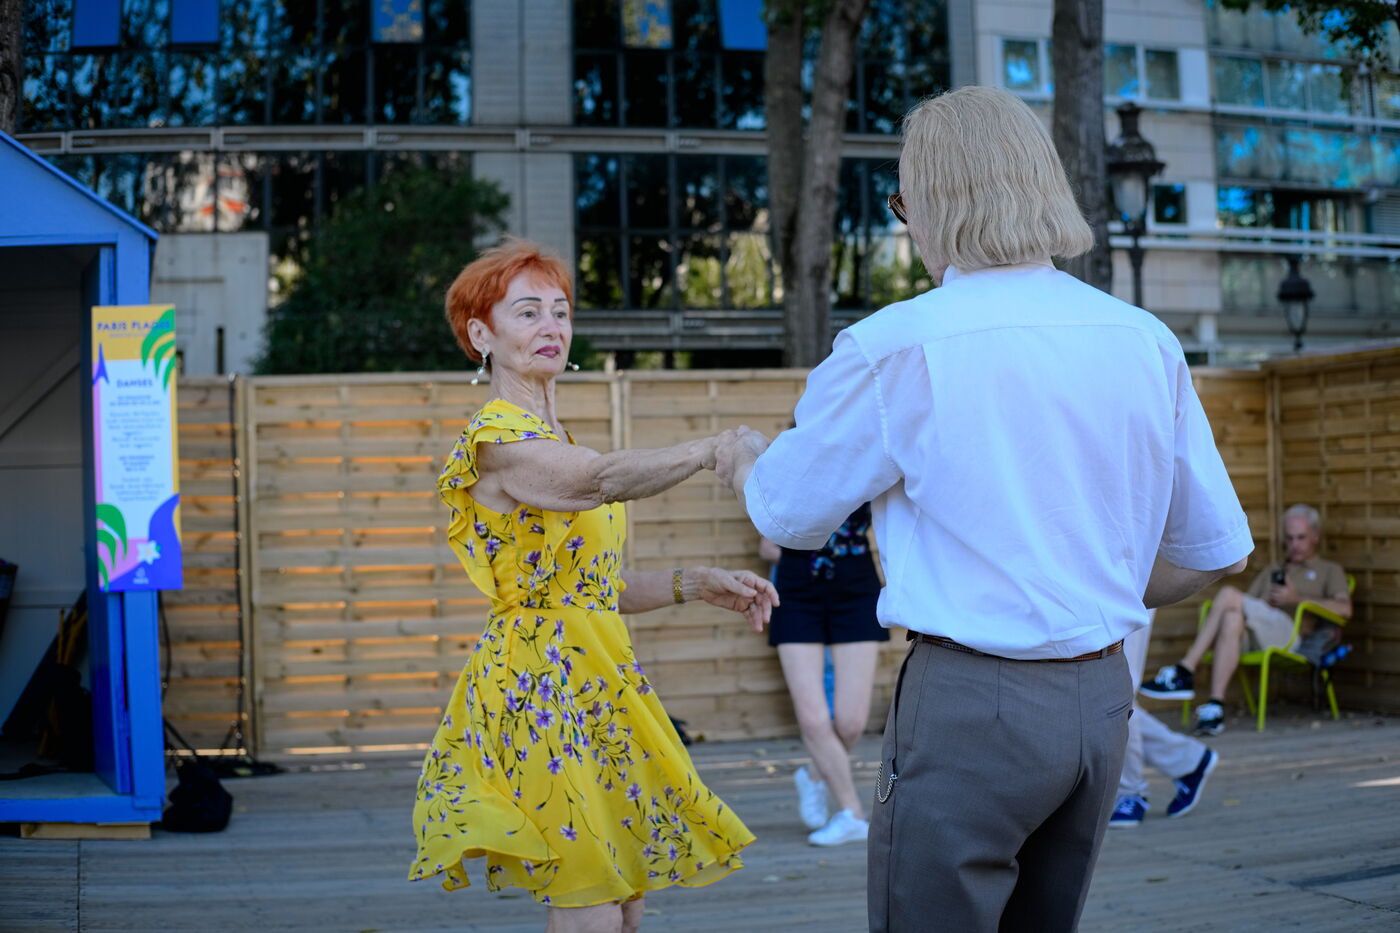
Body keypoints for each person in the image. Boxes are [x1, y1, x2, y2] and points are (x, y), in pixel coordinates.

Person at [713, 86, 1253, 932]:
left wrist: (743, 458)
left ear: (932, 200)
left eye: (903, 203)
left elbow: (786, 515)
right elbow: (1217, 550)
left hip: (970, 703)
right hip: (1101, 699)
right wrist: (1097, 586)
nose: (909, 227)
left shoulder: (896, 344)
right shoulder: (1142, 337)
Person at [408, 239, 779, 933]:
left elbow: (593, 589)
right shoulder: (497, 440)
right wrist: (710, 450)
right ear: (481, 336)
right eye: (527, 312)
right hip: (539, 690)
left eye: (560, 310)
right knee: (592, 909)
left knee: (626, 903)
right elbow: (598, 480)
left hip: (601, 687)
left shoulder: (558, 435)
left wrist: (696, 582)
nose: (551, 325)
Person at [1140, 503, 1351, 735]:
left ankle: (1185, 669)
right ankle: (1215, 706)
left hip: (1290, 637)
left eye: (1301, 538)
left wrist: (1295, 598)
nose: (1294, 545)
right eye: (1289, 538)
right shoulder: (1275, 569)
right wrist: (1266, 602)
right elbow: (1246, 604)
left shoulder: (1328, 570)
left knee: (1228, 594)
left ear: (1316, 536)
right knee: (1232, 617)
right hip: (1258, 632)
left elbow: (1345, 609)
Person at [759, 502, 887, 846]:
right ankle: (852, 814)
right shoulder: (785, 474)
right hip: (797, 592)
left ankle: (814, 774)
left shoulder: (868, 473)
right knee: (813, 721)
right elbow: (767, 545)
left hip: (856, 590)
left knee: (851, 723)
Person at [1109, 614, 1219, 828]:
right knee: (1105, 697)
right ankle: (1187, 759)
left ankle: (1130, 791)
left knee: (1118, 692)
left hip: (1124, 598)